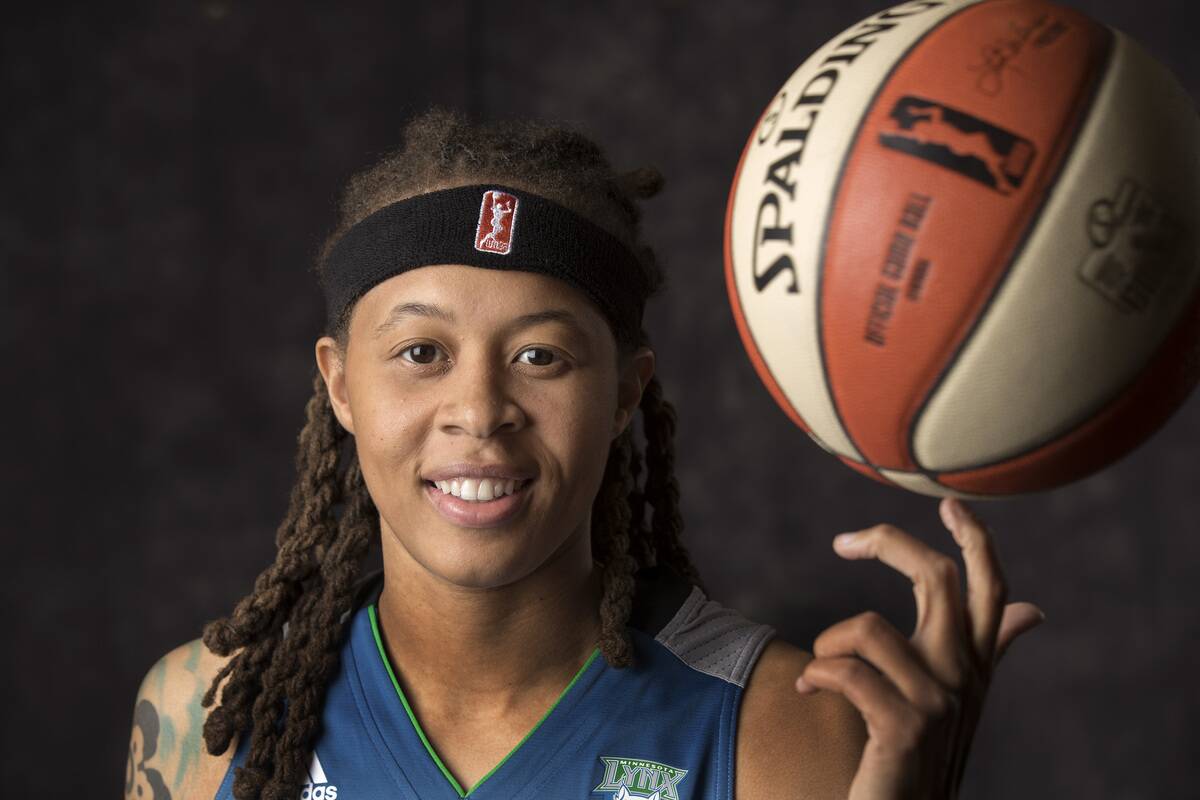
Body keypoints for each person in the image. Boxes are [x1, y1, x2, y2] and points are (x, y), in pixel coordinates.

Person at [125, 108, 1044, 800]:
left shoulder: (782, 727)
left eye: (541, 357)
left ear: (625, 392)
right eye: (421, 354)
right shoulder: (210, 714)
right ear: (339, 386)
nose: (480, 411)